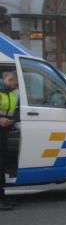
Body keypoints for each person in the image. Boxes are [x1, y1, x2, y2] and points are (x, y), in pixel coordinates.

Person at [0, 71, 19, 210]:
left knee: (2, 163)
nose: (15, 84)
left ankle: (3, 196)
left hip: (5, 130)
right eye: (12, 81)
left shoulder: (13, 94)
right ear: (6, 79)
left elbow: (12, 112)